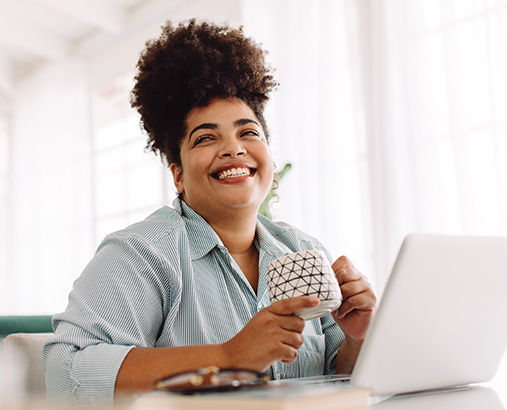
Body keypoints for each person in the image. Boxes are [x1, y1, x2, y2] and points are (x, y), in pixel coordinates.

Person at [43, 19, 376, 407]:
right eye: (205, 137)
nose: (233, 148)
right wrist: (227, 357)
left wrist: (359, 338)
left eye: (248, 132)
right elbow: (65, 374)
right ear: (178, 174)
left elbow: (341, 377)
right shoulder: (140, 254)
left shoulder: (303, 249)